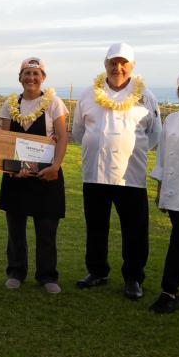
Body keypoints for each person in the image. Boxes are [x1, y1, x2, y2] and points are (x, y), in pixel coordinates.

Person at [72, 43, 161, 300]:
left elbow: (155, 135)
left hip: (130, 176)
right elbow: (79, 131)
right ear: (105, 64)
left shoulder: (147, 96)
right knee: (96, 226)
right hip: (94, 174)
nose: (117, 68)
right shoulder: (89, 94)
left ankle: (133, 277)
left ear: (132, 66)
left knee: (134, 229)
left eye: (123, 63)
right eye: (113, 62)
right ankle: (97, 271)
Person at [0, 58, 68, 294]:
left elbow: (62, 137)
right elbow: (5, 140)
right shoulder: (9, 104)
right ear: (20, 77)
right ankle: (16, 271)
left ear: (43, 78)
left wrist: (55, 167)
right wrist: (12, 169)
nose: (31, 78)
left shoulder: (53, 103)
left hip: (46, 176)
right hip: (16, 177)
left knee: (46, 229)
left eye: (36, 74)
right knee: (15, 229)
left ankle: (47, 276)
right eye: (27, 73)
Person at [148, 71, 179, 313]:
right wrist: (160, 189)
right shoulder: (171, 119)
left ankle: (169, 292)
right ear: (178, 91)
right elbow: (161, 156)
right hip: (172, 189)